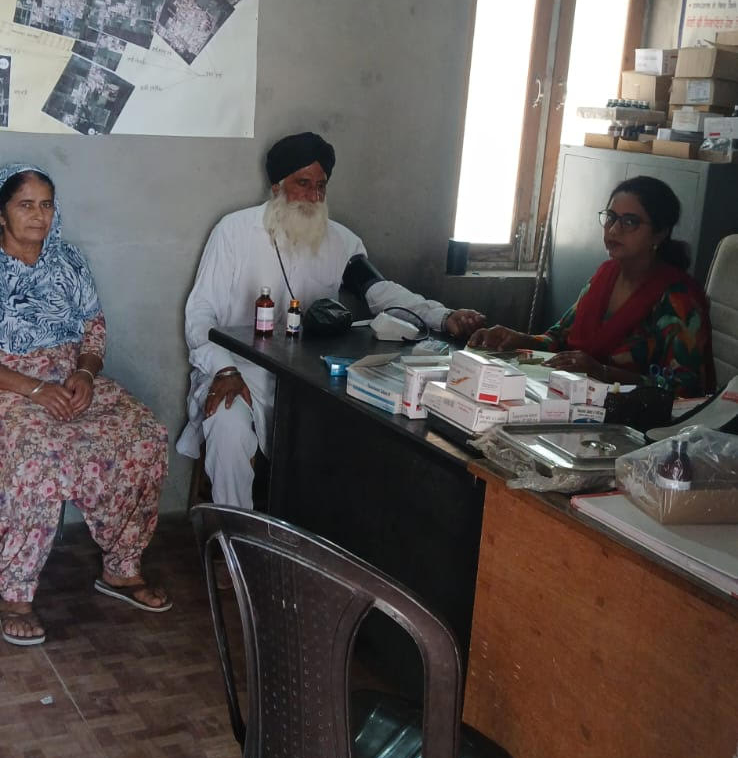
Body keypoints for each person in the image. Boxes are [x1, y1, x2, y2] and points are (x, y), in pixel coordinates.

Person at [177, 130, 486, 506]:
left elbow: (380, 292)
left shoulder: (342, 241)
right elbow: (199, 314)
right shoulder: (233, 232)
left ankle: (313, 531)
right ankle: (233, 535)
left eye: (321, 186)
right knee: (229, 428)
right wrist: (224, 370)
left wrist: (443, 316)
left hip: (308, 380)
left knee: (353, 434)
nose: (313, 196)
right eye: (302, 183)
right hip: (237, 369)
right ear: (276, 186)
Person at [0, 163, 170, 646]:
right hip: (9, 385)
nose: (39, 215)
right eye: (25, 205)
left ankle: (121, 568)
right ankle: (14, 594)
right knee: (37, 454)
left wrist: (85, 374)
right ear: (1, 213)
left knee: (144, 435)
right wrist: (34, 389)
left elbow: (94, 328)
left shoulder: (68, 260)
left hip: (70, 377)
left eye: (46, 205)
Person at [470, 175, 714, 398]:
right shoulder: (604, 276)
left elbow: (685, 388)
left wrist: (602, 372)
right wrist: (518, 339)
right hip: (577, 396)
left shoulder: (678, 299)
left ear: (660, 233)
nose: (614, 230)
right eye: (611, 217)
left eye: (630, 222)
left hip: (639, 415)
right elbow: (559, 338)